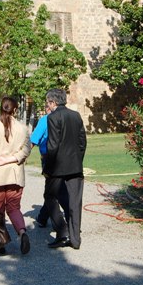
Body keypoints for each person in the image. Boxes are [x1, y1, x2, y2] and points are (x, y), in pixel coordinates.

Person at [0, 96, 32, 254]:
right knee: (14, 207)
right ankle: (22, 232)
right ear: (15, 110)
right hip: (15, 174)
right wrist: (12, 158)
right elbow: (27, 150)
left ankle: (0, 243)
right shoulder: (23, 128)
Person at [44, 88, 87, 250]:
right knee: (75, 202)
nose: (47, 105)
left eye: (48, 103)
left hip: (58, 167)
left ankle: (62, 232)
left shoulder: (53, 117)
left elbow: (53, 145)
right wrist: (78, 160)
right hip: (75, 165)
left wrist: (48, 168)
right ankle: (75, 239)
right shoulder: (76, 116)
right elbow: (82, 142)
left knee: (49, 196)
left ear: (53, 102)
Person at [30, 101, 56, 228]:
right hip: (65, 158)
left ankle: (44, 217)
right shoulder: (66, 118)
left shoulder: (45, 120)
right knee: (57, 187)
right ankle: (44, 216)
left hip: (48, 158)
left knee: (51, 188)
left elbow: (34, 139)